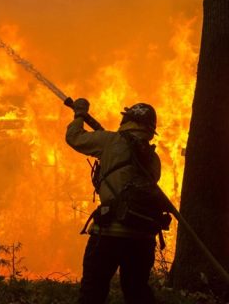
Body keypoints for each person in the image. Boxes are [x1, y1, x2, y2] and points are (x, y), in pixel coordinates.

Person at [66, 98, 163, 304]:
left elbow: (74, 137)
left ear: (126, 120)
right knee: (137, 292)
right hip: (142, 236)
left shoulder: (109, 141)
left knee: (93, 292)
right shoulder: (153, 159)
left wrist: (79, 115)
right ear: (149, 129)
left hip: (109, 233)